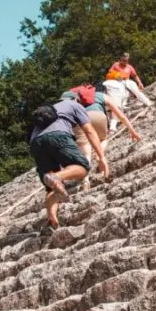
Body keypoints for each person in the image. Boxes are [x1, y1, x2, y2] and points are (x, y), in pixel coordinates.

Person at [28, 98, 109, 229]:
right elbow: (89, 130)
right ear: (75, 99)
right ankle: (56, 177)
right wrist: (101, 157)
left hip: (35, 143)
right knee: (82, 167)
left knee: (51, 187)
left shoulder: (47, 111)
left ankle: (51, 219)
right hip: (58, 135)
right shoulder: (74, 104)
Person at [61, 85, 141, 190]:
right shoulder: (101, 96)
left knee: (86, 153)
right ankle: (100, 154)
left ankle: (85, 180)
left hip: (80, 120)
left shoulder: (77, 98)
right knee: (103, 139)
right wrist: (133, 131)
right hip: (98, 116)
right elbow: (120, 115)